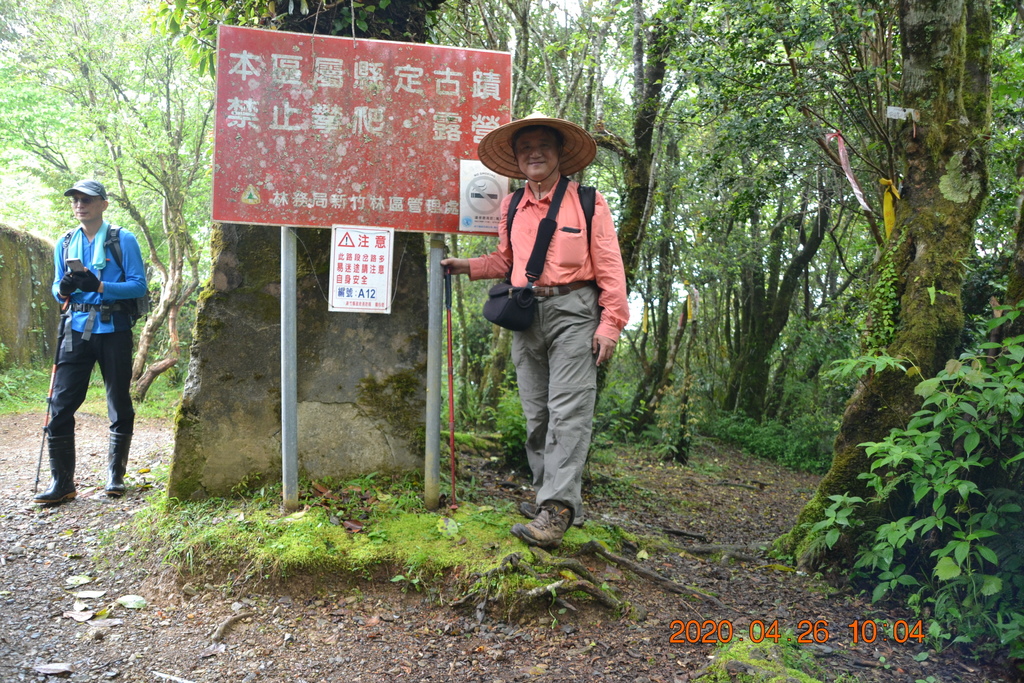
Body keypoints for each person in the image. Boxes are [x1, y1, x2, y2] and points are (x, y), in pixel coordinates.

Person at [442, 115, 628, 548]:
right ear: (516, 158)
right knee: (536, 414)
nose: (535, 154)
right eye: (526, 148)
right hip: (526, 313)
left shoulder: (587, 201)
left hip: (575, 311)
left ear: (560, 154)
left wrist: (610, 324)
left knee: (569, 410)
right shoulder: (512, 206)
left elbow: (610, 266)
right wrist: (465, 265)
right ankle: (551, 497)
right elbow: (506, 261)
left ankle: (557, 509)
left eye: (544, 145)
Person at [36, 180, 148, 505]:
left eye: (87, 199)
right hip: (76, 329)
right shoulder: (66, 241)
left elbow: (138, 286)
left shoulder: (122, 240)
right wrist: (65, 288)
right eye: (75, 200)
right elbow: (57, 286)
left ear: (103, 204)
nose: (80, 205)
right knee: (60, 404)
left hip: (114, 328)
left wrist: (100, 287)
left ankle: (115, 476)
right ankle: (62, 483)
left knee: (118, 400)